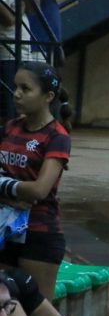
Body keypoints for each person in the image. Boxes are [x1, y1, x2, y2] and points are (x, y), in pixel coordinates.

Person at [0, 62, 71, 300]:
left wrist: (5, 186)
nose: (16, 94)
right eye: (15, 87)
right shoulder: (10, 128)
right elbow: (27, 190)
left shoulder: (57, 136)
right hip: (6, 231)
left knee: (37, 311)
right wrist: (15, 194)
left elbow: (40, 190)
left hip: (39, 234)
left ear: (48, 96)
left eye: (26, 88)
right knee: (4, 308)